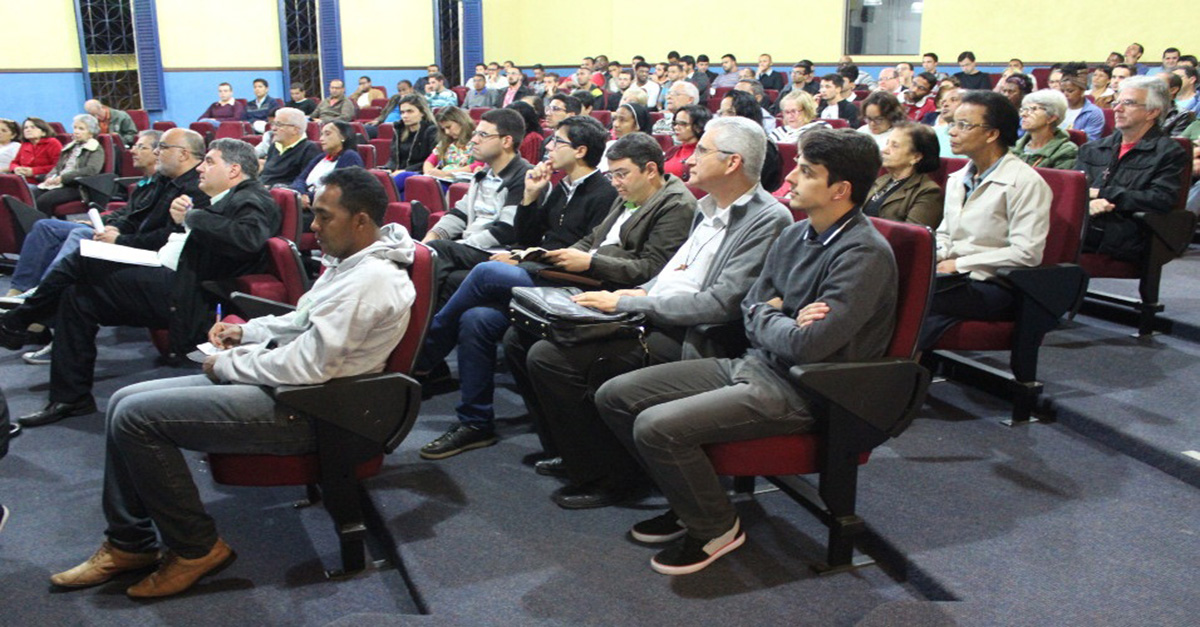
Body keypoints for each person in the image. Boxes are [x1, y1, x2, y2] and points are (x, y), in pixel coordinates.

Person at [47, 167, 415, 599]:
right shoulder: (354, 262)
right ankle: (130, 545)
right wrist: (249, 332)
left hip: (317, 408)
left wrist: (228, 364)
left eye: (323, 216)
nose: (312, 226)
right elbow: (302, 319)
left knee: (136, 418)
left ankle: (194, 548)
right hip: (297, 390)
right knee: (124, 401)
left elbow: (310, 365)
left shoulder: (372, 280)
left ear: (360, 221)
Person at [593, 128, 897, 575]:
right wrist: (777, 317)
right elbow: (752, 306)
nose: (790, 177)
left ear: (841, 189)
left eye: (806, 172)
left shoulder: (864, 254)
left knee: (657, 427)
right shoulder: (796, 235)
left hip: (809, 389)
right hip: (757, 364)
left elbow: (808, 345)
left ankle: (716, 526)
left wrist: (770, 317)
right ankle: (690, 500)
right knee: (615, 395)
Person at [522, 117, 793, 509]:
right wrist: (632, 296)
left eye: (702, 150)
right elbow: (671, 276)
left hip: (696, 337)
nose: (688, 158)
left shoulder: (767, 218)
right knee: (543, 341)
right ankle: (594, 459)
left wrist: (627, 302)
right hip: (653, 314)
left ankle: (615, 476)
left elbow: (721, 305)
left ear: (733, 163)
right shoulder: (708, 207)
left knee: (555, 359)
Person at [1, 138, 279, 426]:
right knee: (76, 295)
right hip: (170, 278)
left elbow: (247, 238)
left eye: (210, 162)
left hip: (191, 295)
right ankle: (70, 398)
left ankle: (18, 321)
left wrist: (192, 217)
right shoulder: (218, 198)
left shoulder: (253, 197)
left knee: (84, 261)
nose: (201, 168)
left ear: (234, 170)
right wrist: (184, 220)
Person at [413, 117, 628, 459]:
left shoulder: (603, 194)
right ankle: (475, 422)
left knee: (484, 272)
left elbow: (584, 254)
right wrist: (530, 198)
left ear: (581, 151)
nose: (548, 148)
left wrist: (527, 259)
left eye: (557, 143)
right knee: (476, 319)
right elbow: (529, 237)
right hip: (538, 273)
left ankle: (421, 354)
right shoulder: (561, 187)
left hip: (563, 284)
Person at [919, 91, 1051, 350]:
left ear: (992, 134)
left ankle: (896, 374)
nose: (952, 132)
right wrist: (933, 257)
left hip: (996, 284)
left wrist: (959, 263)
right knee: (897, 277)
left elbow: (1027, 253)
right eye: (954, 123)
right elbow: (946, 233)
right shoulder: (958, 178)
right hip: (956, 277)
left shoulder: (1024, 182)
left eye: (964, 125)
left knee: (908, 292)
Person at [421, 108, 532, 300]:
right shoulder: (482, 174)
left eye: (483, 135)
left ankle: (420, 323)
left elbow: (506, 230)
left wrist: (461, 245)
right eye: (475, 134)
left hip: (499, 251)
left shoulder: (524, 175)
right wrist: (432, 235)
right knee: (427, 250)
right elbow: (459, 213)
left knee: (438, 251)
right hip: (472, 246)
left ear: (506, 141)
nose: (474, 140)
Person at [1075, 75, 1189, 262]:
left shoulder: (1168, 152)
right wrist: (1088, 204)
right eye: (1117, 102)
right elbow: (1075, 189)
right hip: (1087, 222)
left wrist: (1105, 195)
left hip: (1125, 231)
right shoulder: (1093, 148)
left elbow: (1162, 198)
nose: (1117, 109)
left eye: (1128, 103)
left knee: (1044, 237)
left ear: (1152, 112)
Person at [865, 123, 944, 227]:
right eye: (887, 143)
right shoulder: (881, 180)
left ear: (916, 157)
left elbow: (912, 237)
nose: (884, 150)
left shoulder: (928, 192)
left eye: (895, 146)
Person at [33, 114, 105, 216]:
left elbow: (91, 169)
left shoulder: (95, 148)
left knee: (43, 201)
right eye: (75, 128)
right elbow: (58, 167)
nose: (76, 131)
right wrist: (49, 177)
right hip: (59, 182)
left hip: (77, 186)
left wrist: (63, 178)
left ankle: (46, 227)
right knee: (31, 195)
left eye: (81, 129)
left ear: (91, 133)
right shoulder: (70, 147)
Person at [288, 120, 364, 207]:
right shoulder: (320, 157)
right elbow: (300, 179)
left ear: (343, 137)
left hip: (327, 209)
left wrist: (309, 198)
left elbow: (338, 189)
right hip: (306, 203)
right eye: (321, 134)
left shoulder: (350, 156)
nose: (321, 139)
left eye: (327, 134)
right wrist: (301, 194)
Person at [383, 94, 438, 195]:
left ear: (422, 112)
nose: (405, 116)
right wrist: (387, 169)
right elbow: (393, 159)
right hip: (398, 176)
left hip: (418, 176)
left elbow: (432, 161)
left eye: (410, 111)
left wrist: (405, 171)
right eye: (402, 112)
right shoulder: (399, 130)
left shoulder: (432, 131)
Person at [1013, 90, 1078, 169]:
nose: (1024, 114)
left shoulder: (1065, 151)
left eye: (1033, 109)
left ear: (1051, 117)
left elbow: (1057, 180)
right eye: (1024, 109)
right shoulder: (1015, 146)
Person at [258, 107, 322, 187]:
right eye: (273, 124)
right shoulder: (274, 146)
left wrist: (272, 188)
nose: (273, 128)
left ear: (295, 130)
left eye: (279, 124)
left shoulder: (309, 149)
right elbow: (266, 176)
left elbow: (304, 183)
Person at [424, 107, 481, 179]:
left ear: (460, 122)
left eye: (448, 127)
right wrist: (429, 173)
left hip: (462, 181)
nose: (446, 132)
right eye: (443, 129)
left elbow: (478, 164)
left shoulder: (477, 141)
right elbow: (429, 162)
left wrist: (445, 173)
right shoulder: (446, 143)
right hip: (442, 179)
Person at [1058, 63, 1105, 141]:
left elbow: (1090, 142)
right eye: (1062, 91)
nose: (1065, 94)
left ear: (1082, 91)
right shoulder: (1056, 109)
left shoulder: (1093, 113)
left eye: (1070, 91)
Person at [664, 105, 710, 180]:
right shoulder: (672, 151)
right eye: (675, 123)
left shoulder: (706, 154)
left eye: (682, 124)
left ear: (698, 127)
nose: (676, 127)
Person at [8, 118, 61, 183]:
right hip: (22, 181)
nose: (28, 130)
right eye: (25, 128)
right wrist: (16, 168)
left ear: (43, 132)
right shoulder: (25, 144)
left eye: (33, 127)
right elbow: (14, 162)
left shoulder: (53, 143)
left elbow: (58, 166)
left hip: (42, 181)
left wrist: (33, 171)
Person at [931, 83, 964, 157]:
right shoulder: (932, 134)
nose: (945, 104)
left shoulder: (977, 135)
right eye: (943, 102)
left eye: (953, 100)